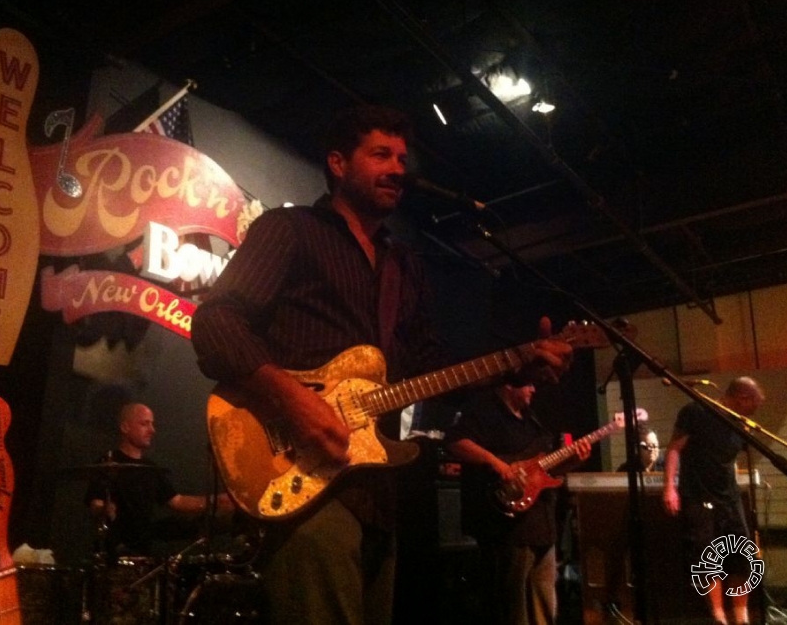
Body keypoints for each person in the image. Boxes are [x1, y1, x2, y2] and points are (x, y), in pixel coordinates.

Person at [189, 103, 574, 625]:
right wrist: (293, 400)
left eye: (402, 156)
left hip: (377, 493)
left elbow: (429, 366)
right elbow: (215, 323)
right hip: (301, 484)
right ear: (337, 163)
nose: (398, 168)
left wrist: (516, 366)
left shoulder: (403, 264)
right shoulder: (290, 229)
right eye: (381, 154)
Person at [445, 379, 591, 625]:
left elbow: (547, 471)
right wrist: (496, 463)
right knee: (513, 606)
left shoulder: (532, 420)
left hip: (542, 523)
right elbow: (455, 442)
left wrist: (574, 461)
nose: (534, 389)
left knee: (544, 601)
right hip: (508, 527)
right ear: (508, 386)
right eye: (528, 385)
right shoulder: (483, 411)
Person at [662, 376, 765, 625]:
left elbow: (728, 458)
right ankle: (718, 615)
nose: (755, 409)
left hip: (729, 497)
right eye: (754, 404)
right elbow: (674, 448)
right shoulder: (696, 411)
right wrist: (669, 487)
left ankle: (741, 616)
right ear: (742, 398)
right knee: (708, 557)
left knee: (742, 556)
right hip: (699, 494)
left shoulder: (739, 422)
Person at [85, 401, 208, 560]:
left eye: (152, 424)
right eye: (145, 424)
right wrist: (104, 509)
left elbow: (178, 501)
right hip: (113, 554)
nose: (152, 430)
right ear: (125, 427)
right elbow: (96, 503)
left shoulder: (150, 468)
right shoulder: (108, 463)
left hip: (144, 553)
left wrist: (219, 501)